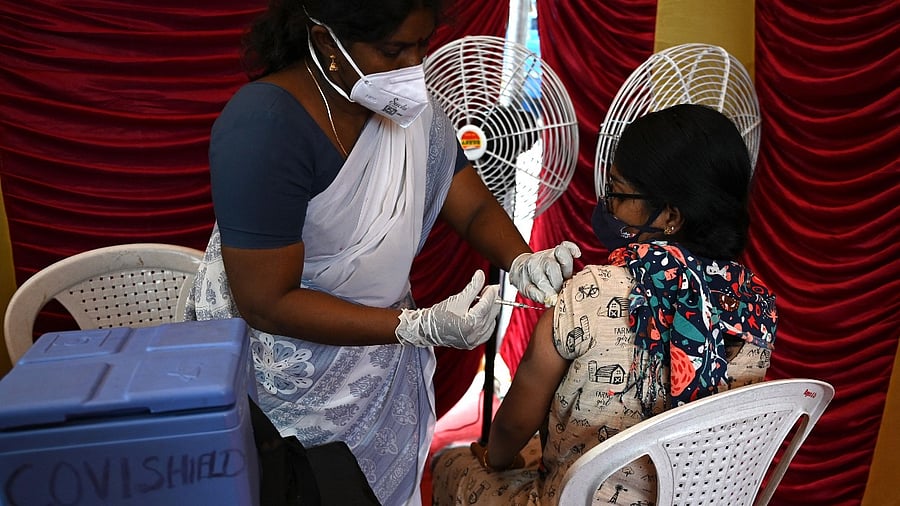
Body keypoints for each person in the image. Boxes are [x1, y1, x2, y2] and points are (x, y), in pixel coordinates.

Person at [184, 1, 581, 505]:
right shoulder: (263, 127)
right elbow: (266, 301)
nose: (411, 69)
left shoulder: (412, 111)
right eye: (393, 50)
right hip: (281, 378)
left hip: (378, 368)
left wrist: (524, 260)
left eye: (421, 46)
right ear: (327, 42)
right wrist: (413, 326)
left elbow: (475, 206)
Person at [431, 103, 778, 505]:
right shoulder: (757, 306)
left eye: (618, 191)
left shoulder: (590, 291)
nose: (608, 204)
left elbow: (511, 429)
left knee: (452, 466)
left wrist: (494, 457)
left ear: (670, 215)